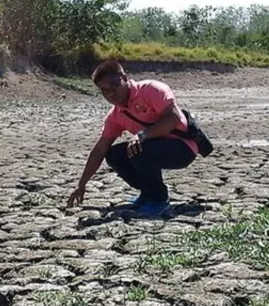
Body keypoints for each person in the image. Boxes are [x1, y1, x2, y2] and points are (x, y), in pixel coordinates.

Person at [66, 59, 199, 217]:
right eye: (104, 90)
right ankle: (147, 193)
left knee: (138, 148)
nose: (110, 94)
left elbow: (173, 118)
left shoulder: (151, 90)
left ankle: (158, 200)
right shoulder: (116, 115)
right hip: (153, 149)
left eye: (114, 85)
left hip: (182, 148)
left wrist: (142, 135)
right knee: (114, 155)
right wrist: (81, 185)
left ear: (124, 77)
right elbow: (100, 149)